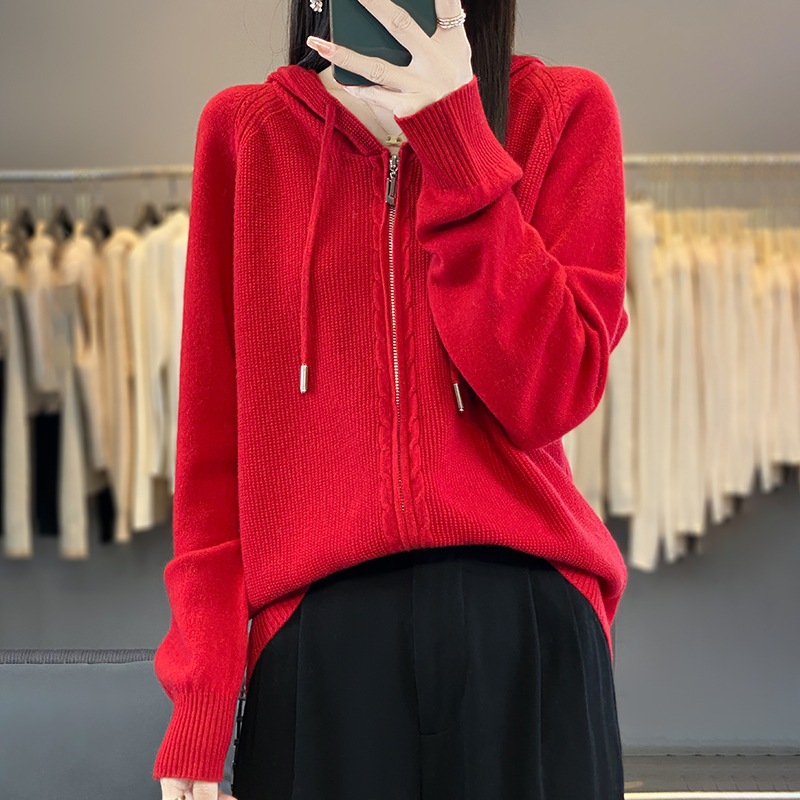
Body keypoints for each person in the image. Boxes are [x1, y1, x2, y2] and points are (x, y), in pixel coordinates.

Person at [154, 0, 630, 797]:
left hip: (525, 629)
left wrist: (458, 141)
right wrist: (201, 695)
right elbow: (212, 456)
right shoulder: (245, 135)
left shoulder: (561, 111)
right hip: (320, 646)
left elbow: (553, 391)